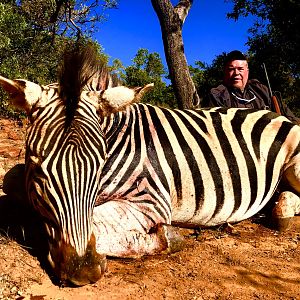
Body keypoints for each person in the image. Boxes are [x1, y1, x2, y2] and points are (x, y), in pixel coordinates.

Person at [202, 50, 299, 123]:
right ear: (225, 72)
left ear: (247, 71)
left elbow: (289, 117)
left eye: (240, 69)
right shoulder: (217, 95)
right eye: (231, 69)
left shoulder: (262, 90)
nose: (236, 73)